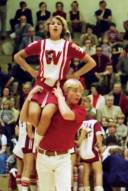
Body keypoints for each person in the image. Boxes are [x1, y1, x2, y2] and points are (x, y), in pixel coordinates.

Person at [20, 79, 86, 191]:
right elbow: (26, 118)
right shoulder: (51, 107)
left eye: (79, 91)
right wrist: (30, 96)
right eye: (73, 91)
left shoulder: (79, 110)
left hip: (63, 159)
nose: (77, 94)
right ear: (66, 92)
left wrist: (59, 97)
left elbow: (66, 115)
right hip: (42, 157)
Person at [14, 16, 96, 151]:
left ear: (63, 28)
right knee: (33, 114)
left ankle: (37, 145)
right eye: (52, 23)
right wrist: (30, 70)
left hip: (57, 87)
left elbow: (91, 62)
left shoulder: (69, 46)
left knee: (46, 115)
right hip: (41, 84)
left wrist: (76, 74)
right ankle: (41, 135)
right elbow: (18, 56)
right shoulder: (41, 43)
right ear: (48, 27)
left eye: (58, 24)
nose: (55, 25)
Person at [77, 116, 111, 191]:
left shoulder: (82, 124)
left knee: (86, 172)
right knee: (98, 172)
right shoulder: (95, 123)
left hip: (83, 151)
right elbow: (98, 135)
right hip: (92, 151)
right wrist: (100, 147)